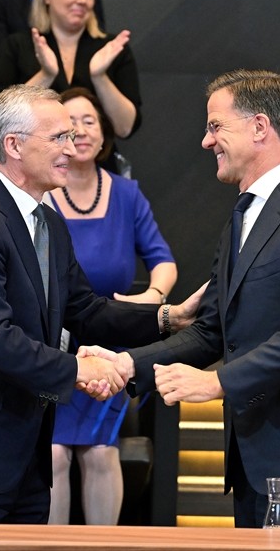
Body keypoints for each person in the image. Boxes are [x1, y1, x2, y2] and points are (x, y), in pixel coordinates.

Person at [87, 69, 280, 530]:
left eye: (215, 127)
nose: (206, 141)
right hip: (255, 453)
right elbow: (210, 331)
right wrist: (126, 365)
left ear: (260, 127)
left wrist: (218, 384)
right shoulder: (240, 219)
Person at [0, 84, 193, 523]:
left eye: (73, 134)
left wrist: (168, 317)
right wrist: (80, 369)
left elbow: (85, 310)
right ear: (14, 145)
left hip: (27, 458)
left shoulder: (50, 224)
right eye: (58, 136)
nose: (72, 145)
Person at [46, 87, 176, 525]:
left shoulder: (126, 194)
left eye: (89, 122)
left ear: (104, 137)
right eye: (69, 123)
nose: (80, 131)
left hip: (108, 347)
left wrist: (152, 299)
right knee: (55, 455)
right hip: (53, 345)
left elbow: (163, 261)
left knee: (101, 452)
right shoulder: (43, 194)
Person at [0, 0, 140, 141]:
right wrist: (46, 75)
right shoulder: (17, 45)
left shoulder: (111, 49)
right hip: (34, 164)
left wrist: (100, 77)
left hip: (95, 164)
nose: (83, 0)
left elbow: (125, 127)